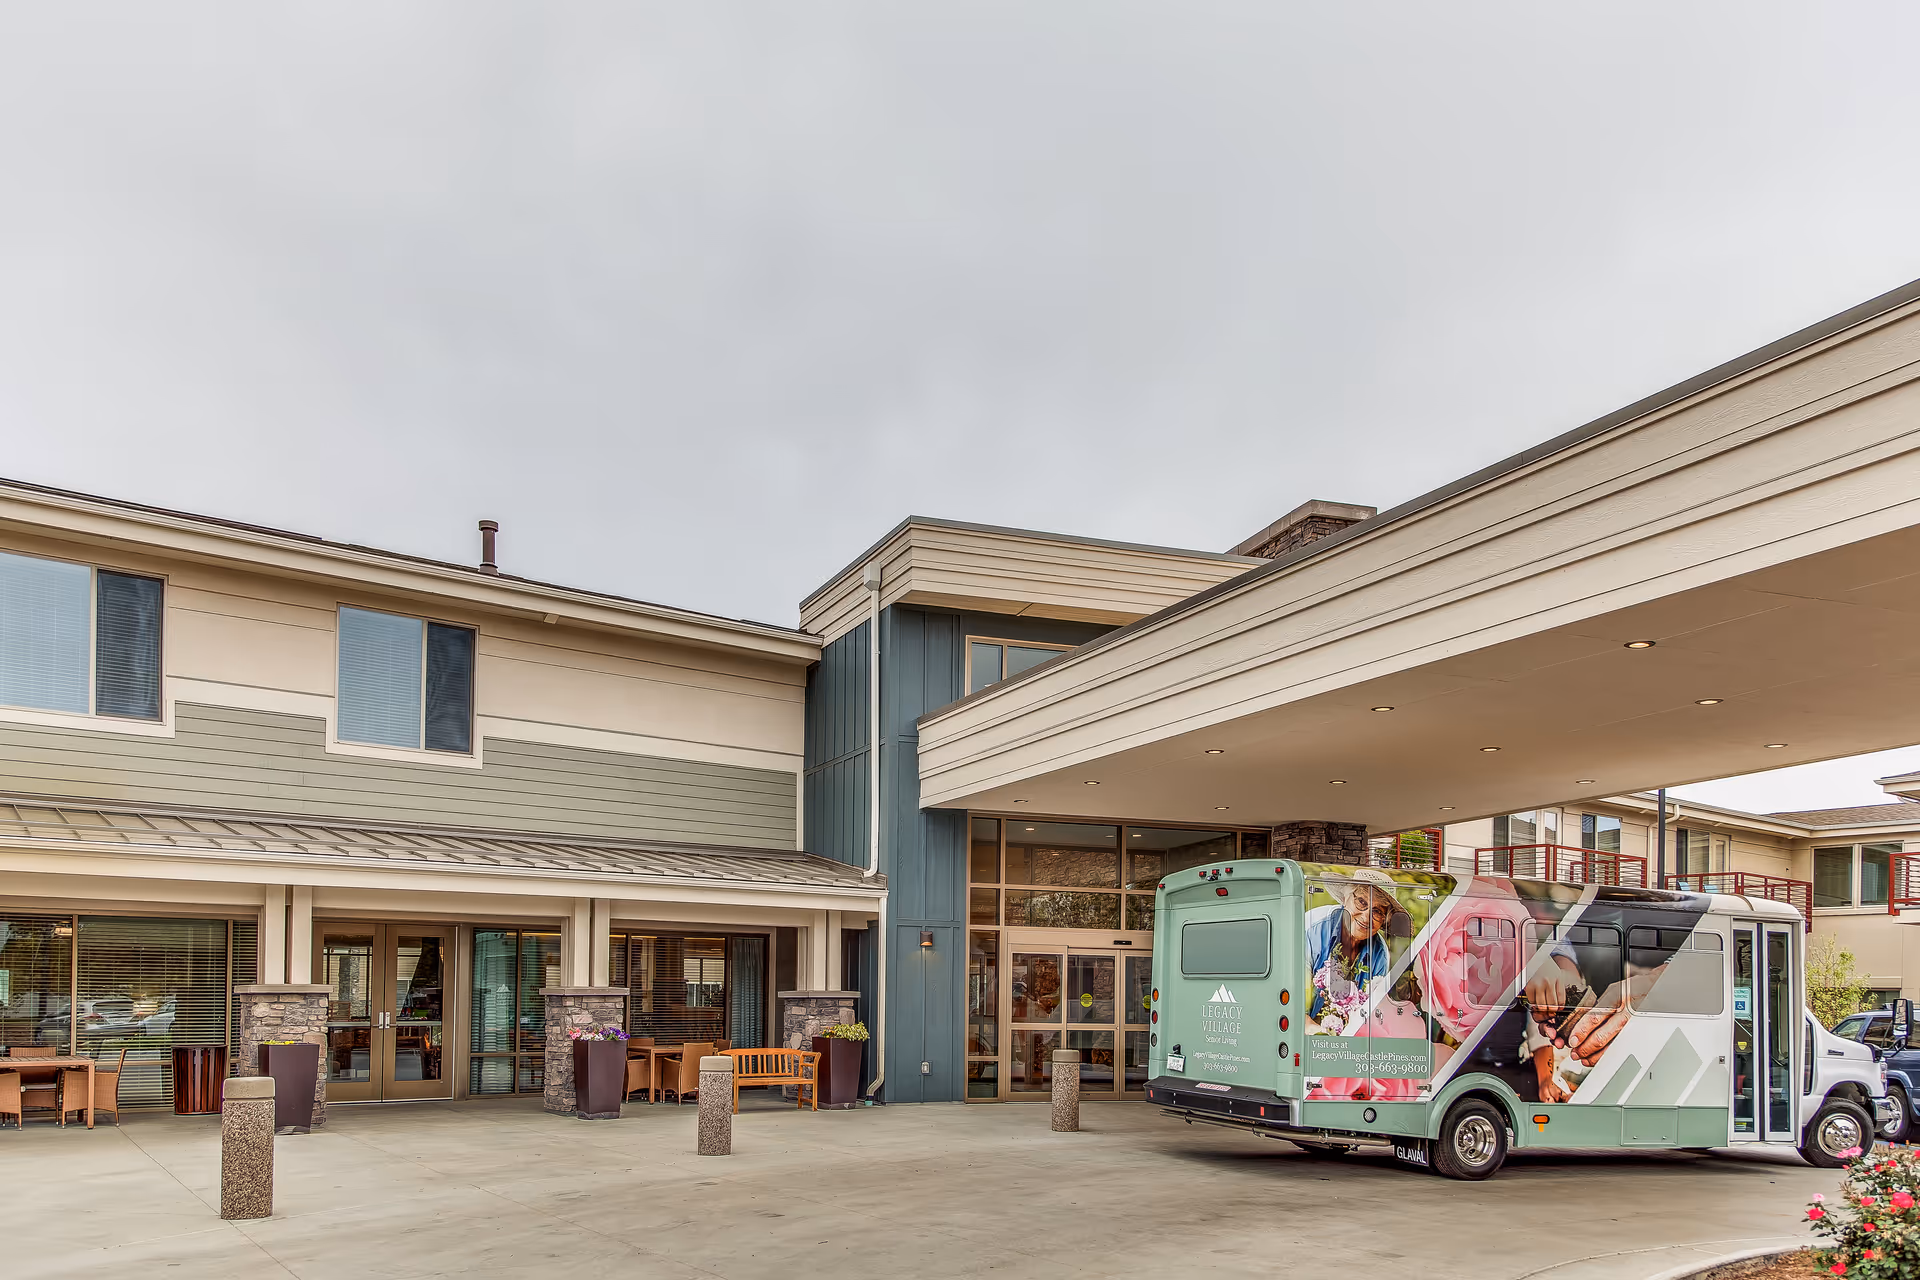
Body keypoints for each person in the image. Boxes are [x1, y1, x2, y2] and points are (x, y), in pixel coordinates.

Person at [1305, 868, 1402, 1033]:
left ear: (1384, 920)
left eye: (1377, 912)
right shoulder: (1313, 929)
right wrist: (1322, 1035)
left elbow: (1369, 1015)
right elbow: (1292, 1006)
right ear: (1345, 898)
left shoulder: (1380, 954)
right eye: (1362, 902)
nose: (1366, 917)